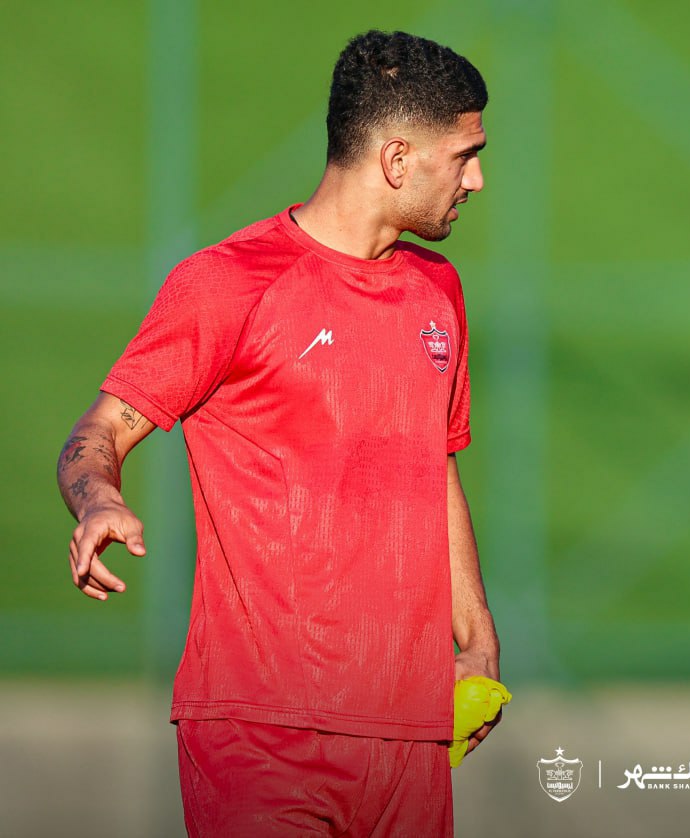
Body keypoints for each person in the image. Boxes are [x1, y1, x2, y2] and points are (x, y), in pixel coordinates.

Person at [56, 30, 499, 836]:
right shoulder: (228, 283)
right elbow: (99, 431)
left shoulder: (439, 291)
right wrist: (97, 501)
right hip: (259, 731)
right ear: (397, 160)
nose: (476, 179)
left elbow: (433, 468)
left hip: (409, 732)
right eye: (465, 156)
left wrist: (477, 638)